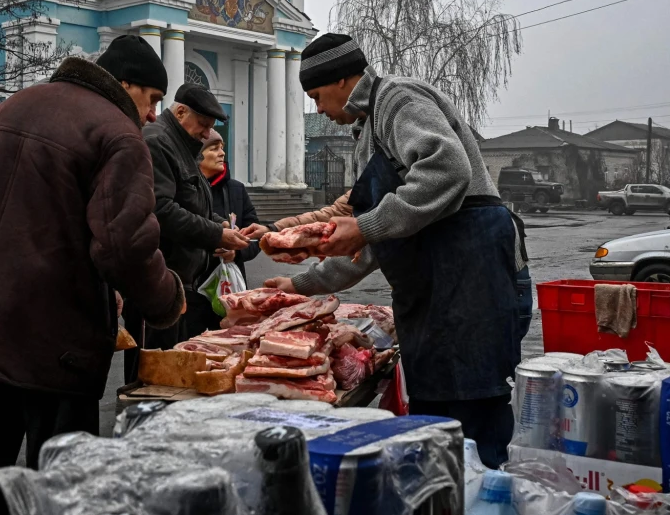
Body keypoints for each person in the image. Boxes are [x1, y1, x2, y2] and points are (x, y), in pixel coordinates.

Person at [0, 35, 186, 477]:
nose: (153, 115)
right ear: (125, 84)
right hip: (56, 351)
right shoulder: (118, 134)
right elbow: (125, 246)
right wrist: (167, 300)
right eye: (152, 99)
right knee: (62, 485)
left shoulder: (7, 109)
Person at [264, 33, 525, 469]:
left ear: (343, 79)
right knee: (438, 422)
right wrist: (299, 284)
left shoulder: (397, 99)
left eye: (316, 95)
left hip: (470, 278)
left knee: (473, 426)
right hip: (435, 292)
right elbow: (377, 237)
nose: (317, 109)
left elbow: (447, 169)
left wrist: (365, 226)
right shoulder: (367, 132)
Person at [246, 190, 536, 343]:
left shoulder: (406, 188)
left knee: (479, 388)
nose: (320, 110)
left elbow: (367, 249)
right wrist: (275, 229)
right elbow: (335, 213)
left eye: (319, 98)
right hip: (458, 289)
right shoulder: (379, 176)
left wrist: (299, 284)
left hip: (488, 285)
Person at [123, 83, 250, 383]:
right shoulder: (158, 142)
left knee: (172, 375)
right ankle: (140, 428)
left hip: (176, 284)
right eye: (204, 126)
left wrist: (221, 226)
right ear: (180, 112)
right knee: (151, 380)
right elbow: (161, 210)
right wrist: (216, 236)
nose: (207, 135)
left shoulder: (181, 146)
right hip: (156, 283)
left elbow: (194, 204)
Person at [198, 131, 261, 280]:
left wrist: (236, 253)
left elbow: (255, 236)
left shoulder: (236, 189)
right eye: (214, 148)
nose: (222, 153)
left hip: (228, 282)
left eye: (222, 148)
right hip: (195, 282)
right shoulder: (185, 189)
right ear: (196, 155)